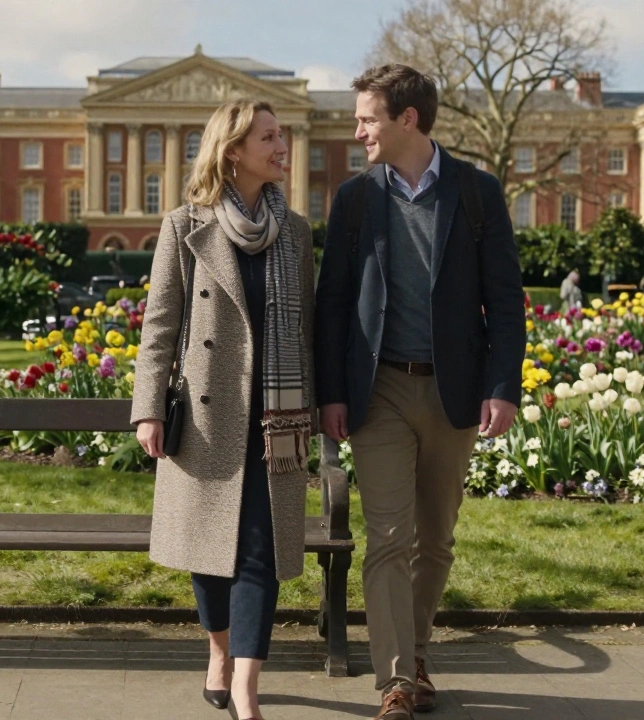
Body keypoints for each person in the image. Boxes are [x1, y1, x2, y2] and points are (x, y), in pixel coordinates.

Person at [314, 65, 526, 719]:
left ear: (407, 120)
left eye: (368, 119)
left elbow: (505, 302)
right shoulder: (354, 199)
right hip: (377, 392)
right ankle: (397, 682)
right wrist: (332, 394)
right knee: (387, 539)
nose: (358, 131)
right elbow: (333, 306)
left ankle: (418, 651)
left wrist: (503, 385)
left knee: (435, 541)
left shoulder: (477, 193)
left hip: (454, 394)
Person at [130, 99, 315, 720]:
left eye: (281, 133)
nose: (281, 144)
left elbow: (307, 327)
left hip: (277, 416)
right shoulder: (186, 226)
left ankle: (246, 688)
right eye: (268, 136)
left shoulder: (295, 232)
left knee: (258, 550)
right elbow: (160, 323)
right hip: (209, 415)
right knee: (208, 550)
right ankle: (217, 650)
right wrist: (148, 408)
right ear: (233, 150)